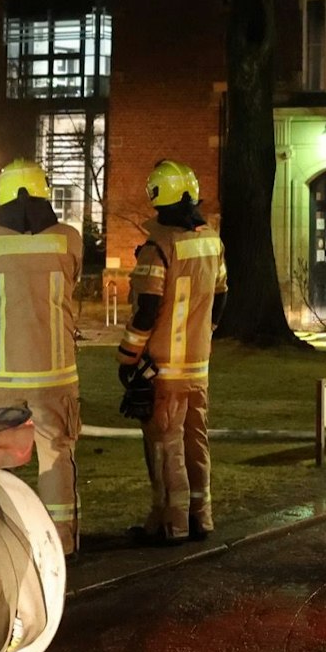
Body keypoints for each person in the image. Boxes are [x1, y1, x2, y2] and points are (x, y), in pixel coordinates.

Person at [0, 159, 84, 552]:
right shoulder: (69, 238)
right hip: (54, 374)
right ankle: (61, 542)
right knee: (56, 458)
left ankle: (2, 537)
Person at [117, 160, 226, 546]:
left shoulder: (158, 247)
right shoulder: (211, 240)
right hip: (198, 367)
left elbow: (146, 311)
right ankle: (202, 517)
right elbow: (221, 297)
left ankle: (172, 525)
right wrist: (205, 335)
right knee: (197, 442)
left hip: (163, 369)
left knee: (166, 448)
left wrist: (128, 358)